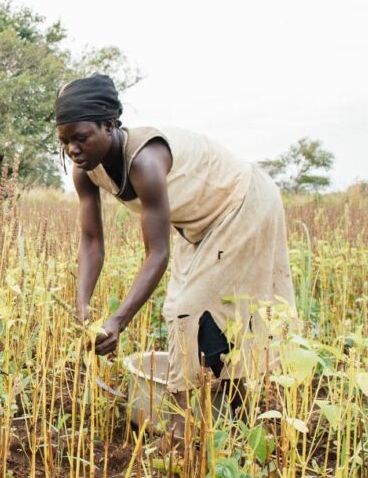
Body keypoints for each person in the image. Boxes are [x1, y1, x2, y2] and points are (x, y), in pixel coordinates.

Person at [57, 74, 295, 410]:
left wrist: (117, 322)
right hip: (195, 222)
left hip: (241, 202)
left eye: (81, 138)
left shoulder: (145, 161)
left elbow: (157, 253)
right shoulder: (85, 170)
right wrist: (82, 307)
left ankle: (185, 423)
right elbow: (92, 241)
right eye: (64, 141)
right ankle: (231, 409)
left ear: (109, 125)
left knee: (186, 310)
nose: (72, 150)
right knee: (204, 312)